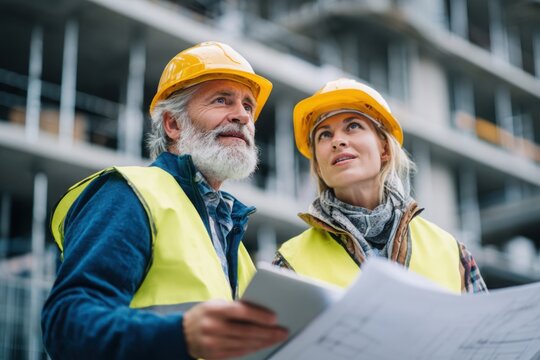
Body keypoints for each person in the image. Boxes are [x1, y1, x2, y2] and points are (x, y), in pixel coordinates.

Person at [42, 41, 288, 360]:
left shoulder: (233, 241)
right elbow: (66, 325)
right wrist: (180, 334)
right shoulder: (130, 194)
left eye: (248, 106)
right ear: (173, 124)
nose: (242, 116)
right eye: (222, 100)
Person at [274, 78, 487, 294]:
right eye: (324, 135)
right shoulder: (290, 263)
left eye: (353, 126)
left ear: (384, 148)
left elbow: (486, 327)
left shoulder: (451, 253)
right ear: (318, 165)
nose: (337, 141)